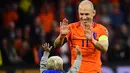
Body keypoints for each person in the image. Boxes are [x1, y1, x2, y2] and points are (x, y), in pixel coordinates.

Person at [54, 0, 109, 73]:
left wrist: (92, 40)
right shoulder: (71, 28)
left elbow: (105, 47)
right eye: (81, 14)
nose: (84, 17)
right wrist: (61, 36)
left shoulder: (101, 29)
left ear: (93, 13)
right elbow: (56, 45)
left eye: (87, 14)